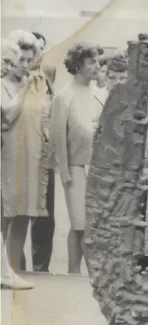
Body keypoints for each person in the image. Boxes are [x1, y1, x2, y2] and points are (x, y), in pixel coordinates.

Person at [50, 42, 104, 274]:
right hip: (75, 168)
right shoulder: (64, 96)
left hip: (99, 170)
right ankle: (90, 274)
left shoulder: (101, 94)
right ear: (78, 65)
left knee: (85, 225)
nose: (98, 66)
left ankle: (74, 272)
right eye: (92, 62)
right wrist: (65, 173)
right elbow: (57, 137)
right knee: (81, 224)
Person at [1, 30, 52, 273]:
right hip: (5, 161)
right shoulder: (3, 84)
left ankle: (12, 271)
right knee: (5, 218)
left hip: (27, 160)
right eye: (20, 60)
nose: (25, 66)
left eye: (29, 60)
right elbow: (6, 117)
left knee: (22, 217)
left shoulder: (31, 84)